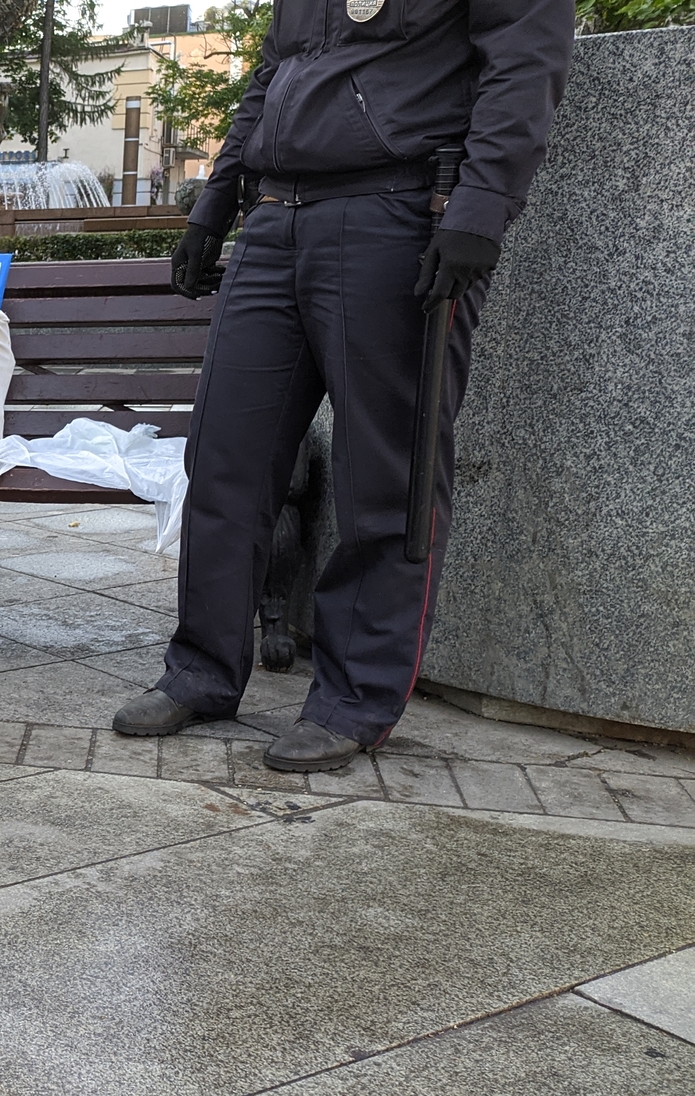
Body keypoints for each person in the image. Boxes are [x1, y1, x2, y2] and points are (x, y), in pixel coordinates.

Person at [111, 0, 572, 769]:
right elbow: (271, 76)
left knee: (385, 478)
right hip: (275, 217)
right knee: (226, 459)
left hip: (397, 211)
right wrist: (216, 199)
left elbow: (527, 61)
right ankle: (202, 669)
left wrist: (482, 209)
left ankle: (353, 699)